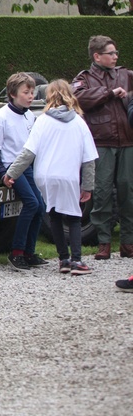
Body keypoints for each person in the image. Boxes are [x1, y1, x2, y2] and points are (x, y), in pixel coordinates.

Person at [5, 80, 98, 275]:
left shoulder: (42, 120)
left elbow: (27, 152)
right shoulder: (79, 122)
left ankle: (63, 259)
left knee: (54, 215)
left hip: (45, 176)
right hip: (67, 176)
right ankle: (77, 261)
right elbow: (89, 159)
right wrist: (88, 186)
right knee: (73, 217)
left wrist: (11, 173)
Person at [72, 35, 133, 260]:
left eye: (116, 53)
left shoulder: (125, 75)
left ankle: (128, 243)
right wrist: (108, 93)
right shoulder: (84, 78)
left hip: (127, 141)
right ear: (97, 56)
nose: (116, 57)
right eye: (111, 53)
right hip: (102, 142)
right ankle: (104, 243)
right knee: (102, 193)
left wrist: (128, 96)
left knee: (129, 192)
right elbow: (76, 98)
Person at [0, 72, 47, 271]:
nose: (31, 96)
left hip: (26, 166)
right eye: (26, 92)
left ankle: (29, 252)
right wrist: (3, 174)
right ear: (12, 94)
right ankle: (17, 252)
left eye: (32, 92)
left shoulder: (29, 116)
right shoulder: (1, 117)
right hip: (12, 168)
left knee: (40, 206)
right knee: (31, 203)